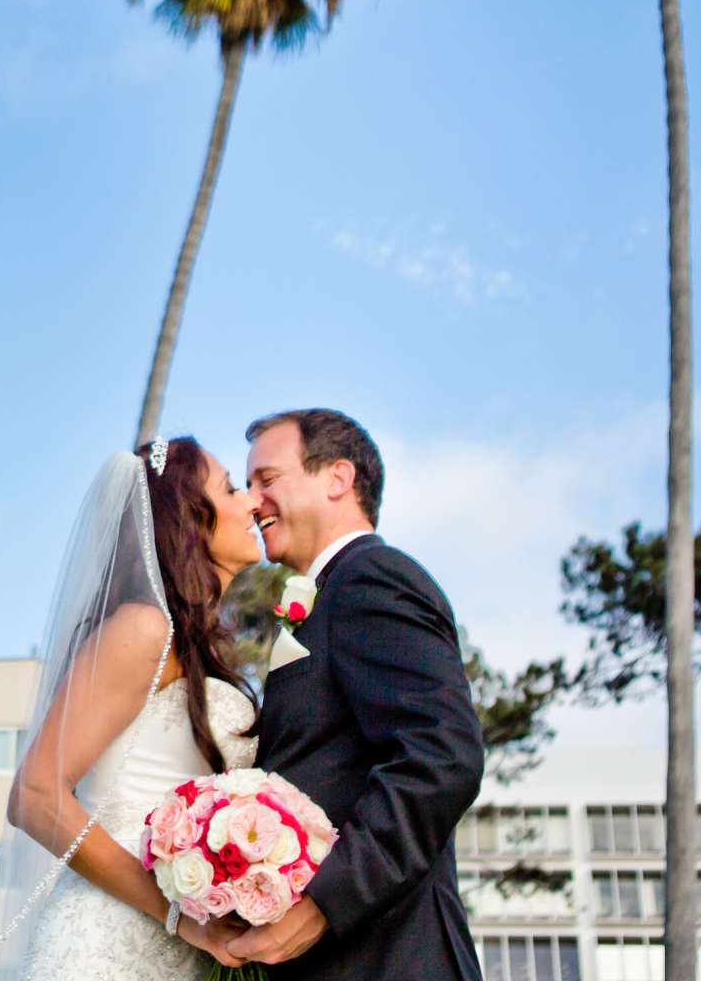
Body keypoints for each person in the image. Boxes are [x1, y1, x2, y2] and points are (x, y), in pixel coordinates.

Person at [0, 435, 265, 978]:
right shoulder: (143, 629)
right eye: (232, 488)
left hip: (179, 952)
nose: (252, 501)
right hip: (106, 945)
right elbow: (35, 795)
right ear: (189, 518)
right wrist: (180, 918)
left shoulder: (195, 645)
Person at [224, 406, 485, 981]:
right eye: (246, 486)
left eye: (267, 479)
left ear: (338, 478)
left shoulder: (372, 577)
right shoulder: (325, 597)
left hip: (391, 958)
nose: (251, 501)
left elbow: (442, 756)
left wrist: (323, 904)